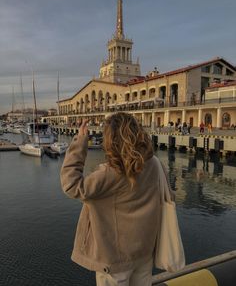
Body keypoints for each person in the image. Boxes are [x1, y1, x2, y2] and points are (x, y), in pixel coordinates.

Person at [60, 112, 176, 286]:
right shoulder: (154, 164)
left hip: (115, 260)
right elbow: (169, 194)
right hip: (144, 251)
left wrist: (79, 143)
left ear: (110, 140)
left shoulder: (111, 172)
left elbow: (71, 185)